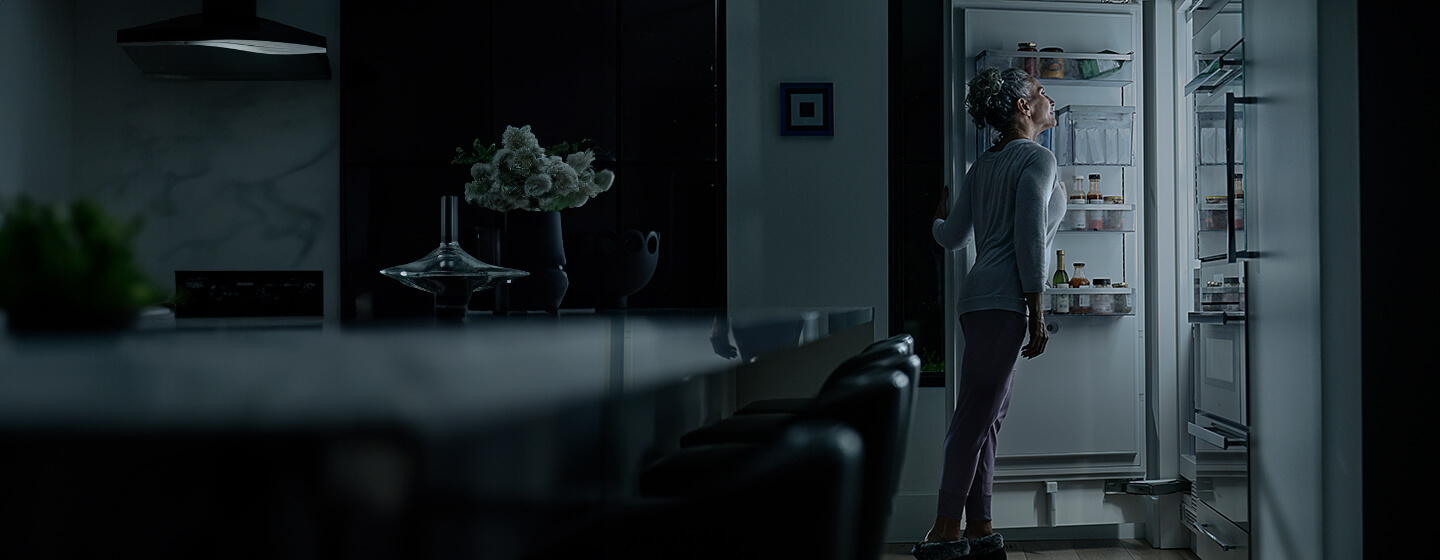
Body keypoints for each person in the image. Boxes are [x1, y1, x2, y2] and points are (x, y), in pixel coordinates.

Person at [912, 67, 1064, 560]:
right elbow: (1028, 236)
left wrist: (937, 216)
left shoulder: (982, 166)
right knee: (973, 419)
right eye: (1041, 93)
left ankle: (979, 524)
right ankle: (944, 529)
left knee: (989, 416)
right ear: (1024, 107)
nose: (1049, 98)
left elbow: (951, 238)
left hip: (979, 298)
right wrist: (1037, 308)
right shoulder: (1038, 160)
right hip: (1004, 301)